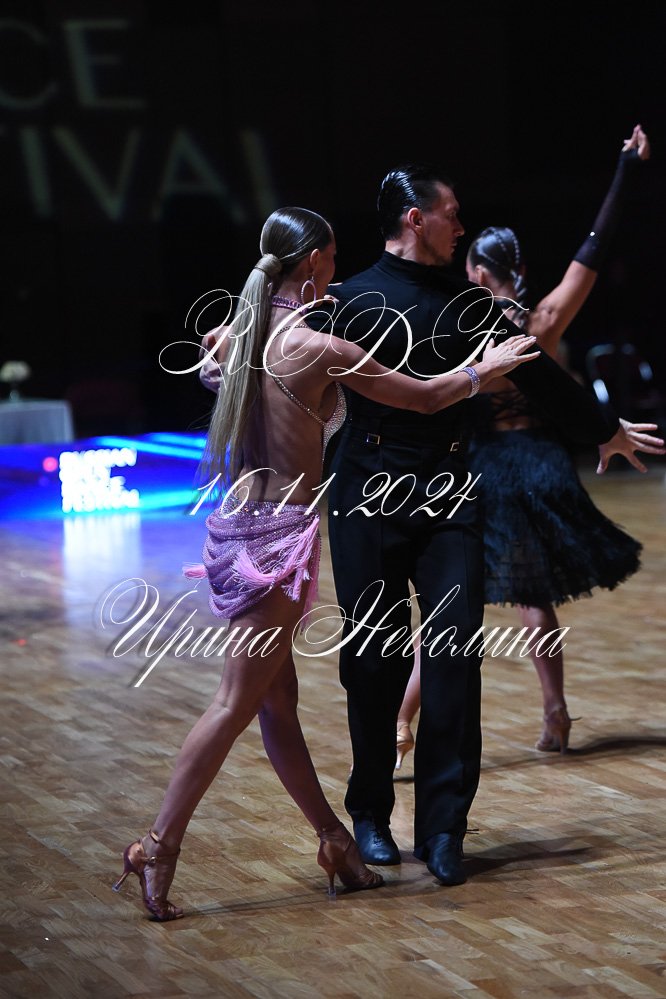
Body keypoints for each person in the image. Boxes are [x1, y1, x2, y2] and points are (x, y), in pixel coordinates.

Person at [112, 207, 539, 920]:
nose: (337, 270)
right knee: (236, 702)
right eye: (333, 259)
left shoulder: (241, 336)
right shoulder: (317, 349)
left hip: (237, 532)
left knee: (276, 704)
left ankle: (334, 840)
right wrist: (483, 369)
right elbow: (425, 396)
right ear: (313, 262)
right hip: (276, 545)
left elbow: (220, 363)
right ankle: (157, 844)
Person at [311, 162, 663, 888]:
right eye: (452, 214)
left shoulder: (466, 302)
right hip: (367, 495)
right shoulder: (345, 300)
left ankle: (444, 830)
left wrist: (603, 430)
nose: (462, 226)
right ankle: (370, 815)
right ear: (415, 219)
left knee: (452, 663)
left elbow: (538, 372)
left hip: (449, 496)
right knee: (372, 665)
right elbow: (280, 363)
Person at [395, 124, 652, 765]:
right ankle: (555, 711)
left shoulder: (461, 324)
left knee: (451, 602)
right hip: (539, 464)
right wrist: (627, 168)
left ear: (478, 273)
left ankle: (400, 722)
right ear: (523, 271)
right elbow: (595, 247)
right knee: (534, 597)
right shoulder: (545, 320)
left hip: (483, 468)